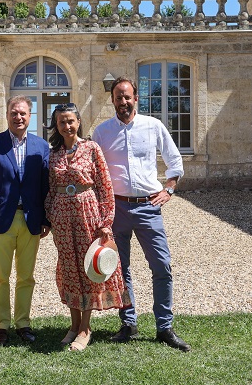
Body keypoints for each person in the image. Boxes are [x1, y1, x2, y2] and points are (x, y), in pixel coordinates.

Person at [92, 76, 191, 352]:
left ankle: (164, 327)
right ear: (112, 100)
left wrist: (168, 190)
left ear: (136, 98)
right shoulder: (102, 132)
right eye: (118, 97)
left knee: (162, 265)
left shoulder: (153, 126)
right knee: (120, 268)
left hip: (149, 206)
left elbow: (175, 162)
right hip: (116, 208)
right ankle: (129, 323)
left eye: (127, 96)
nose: (122, 101)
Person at [44, 103, 130, 352]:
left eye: (70, 121)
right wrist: (50, 213)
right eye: (61, 122)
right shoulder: (54, 154)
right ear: (56, 125)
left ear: (78, 121)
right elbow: (50, 188)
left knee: (88, 269)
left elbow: (105, 187)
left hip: (88, 215)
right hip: (62, 217)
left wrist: (105, 222)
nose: (67, 125)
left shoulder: (92, 149)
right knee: (69, 268)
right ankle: (72, 325)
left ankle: (85, 327)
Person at [0, 95, 50, 346]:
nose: (18, 117)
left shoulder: (41, 147)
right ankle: (1, 325)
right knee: (0, 276)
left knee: (26, 276)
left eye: (22, 113)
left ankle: (23, 323)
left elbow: (45, 185)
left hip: (31, 220)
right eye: (14, 113)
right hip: (2, 221)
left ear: (30, 116)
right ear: (7, 115)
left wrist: (46, 218)